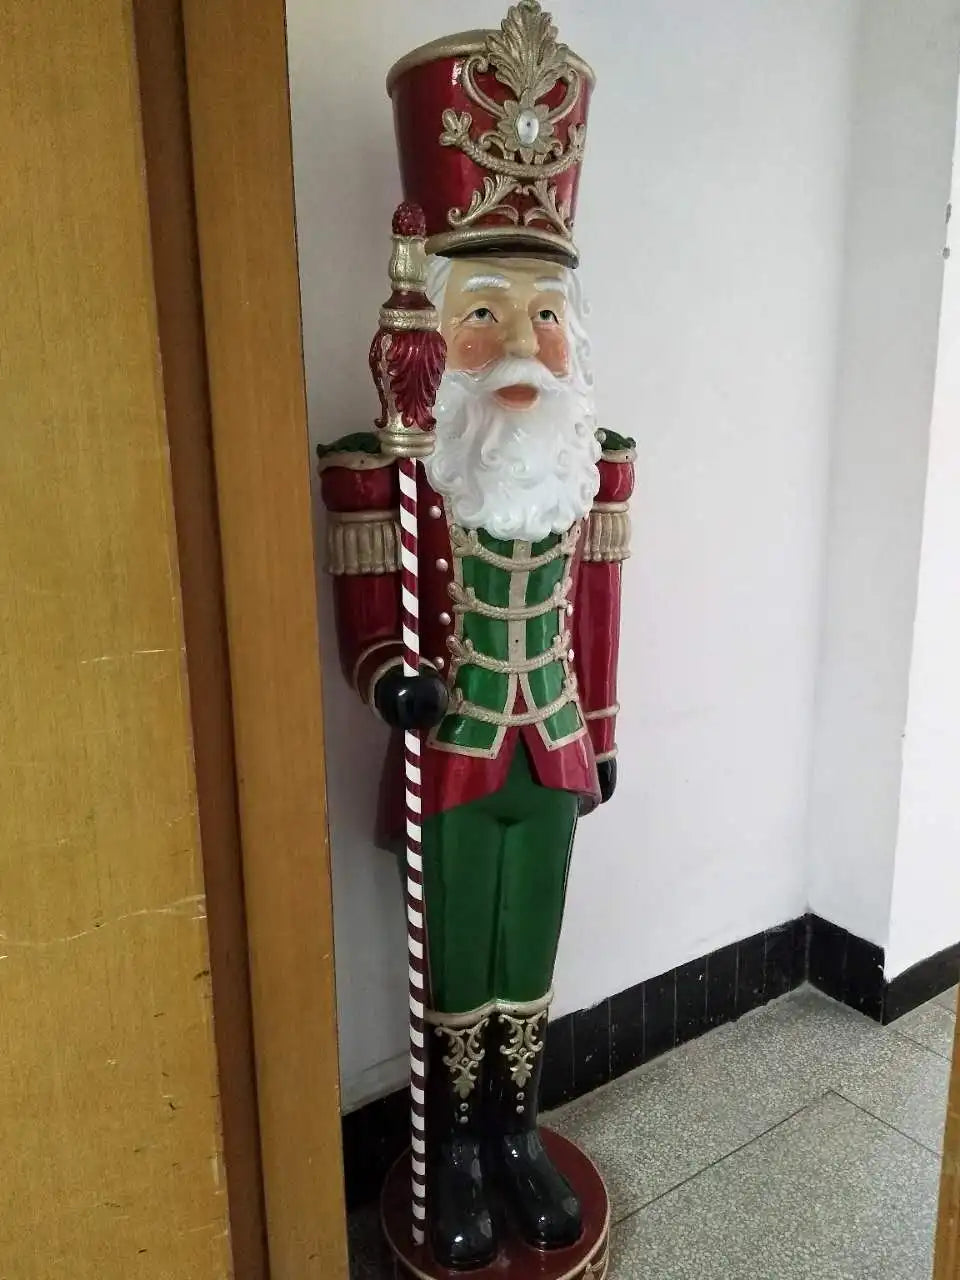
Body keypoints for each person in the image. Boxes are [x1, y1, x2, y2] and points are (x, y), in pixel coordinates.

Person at [318, 2, 634, 1267]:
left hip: (552, 754)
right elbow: (367, 622)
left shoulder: (594, 467)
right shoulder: (391, 468)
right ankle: (450, 1143)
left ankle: (515, 1129)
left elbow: (598, 617)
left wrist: (602, 730)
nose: (519, 342)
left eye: (543, 314)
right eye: (485, 312)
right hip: (448, 759)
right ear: (434, 333)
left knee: (528, 944)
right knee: (454, 957)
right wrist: (391, 677)